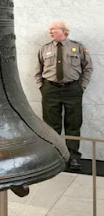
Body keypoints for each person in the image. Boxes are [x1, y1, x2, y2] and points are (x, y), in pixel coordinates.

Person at [35, 21, 93, 170]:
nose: (50, 31)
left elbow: (88, 68)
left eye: (53, 29)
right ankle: (54, 157)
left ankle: (73, 157)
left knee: (73, 124)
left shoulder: (78, 47)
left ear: (64, 31)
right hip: (50, 90)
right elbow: (38, 70)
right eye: (50, 29)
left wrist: (82, 87)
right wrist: (42, 87)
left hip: (72, 90)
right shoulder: (44, 49)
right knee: (50, 125)